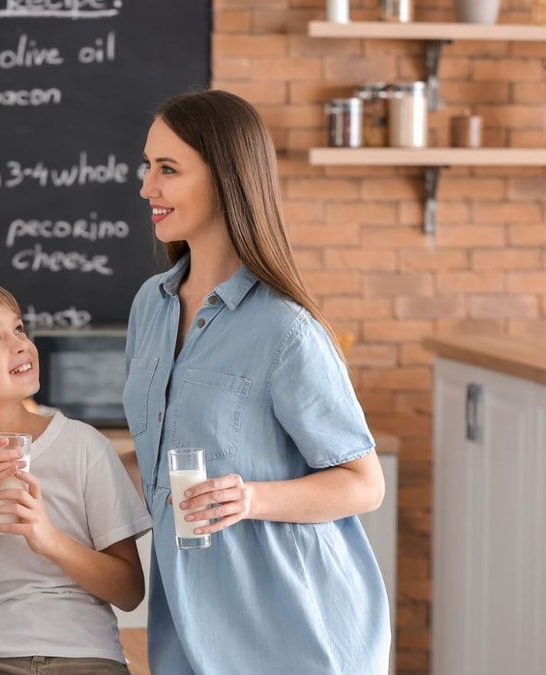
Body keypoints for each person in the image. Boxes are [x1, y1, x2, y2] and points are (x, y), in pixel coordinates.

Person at [125, 88, 390, 674]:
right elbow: (161, 454)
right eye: (148, 167)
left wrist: (250, 498)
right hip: (189, 627)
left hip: (294, 631)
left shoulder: (285, 329)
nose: (148, 186)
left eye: (168, 169)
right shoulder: (151, 306)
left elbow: (363, 484)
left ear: (225, 178)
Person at [0, 278, 151, 675]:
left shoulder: (85, 446)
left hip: (85, 657)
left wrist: (49, 540)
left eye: (17, 328)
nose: (21, 343)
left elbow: (129, 592)